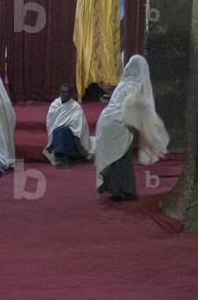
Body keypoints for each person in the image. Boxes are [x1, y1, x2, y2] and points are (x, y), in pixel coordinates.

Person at [95, 55, 169, 201]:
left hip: (104, 122)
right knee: (122, 157)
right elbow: (129, 104)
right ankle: (123, 191)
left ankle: (115, 189)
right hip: (118, 123)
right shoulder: (134, 86)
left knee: (112, 156)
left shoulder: (122, 83)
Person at [43, 83, 95, 167]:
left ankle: (68, 157)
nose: (65, 95)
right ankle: (60, 155)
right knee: (59, 130)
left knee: (63, 130)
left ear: (71, 94)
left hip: (71, 137)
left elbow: (78, 128)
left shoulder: (75, 107)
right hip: (56, 135)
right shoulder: (54, 105)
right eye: (63, 92)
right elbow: (50, 123)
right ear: (60, 93)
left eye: (67, 93)